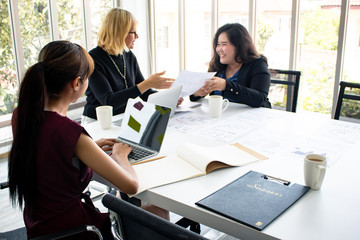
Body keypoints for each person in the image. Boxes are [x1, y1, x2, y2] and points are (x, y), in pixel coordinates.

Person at [8, 40, 139, 239]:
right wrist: (120, 156)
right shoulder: (71, 133)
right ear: (77, 83)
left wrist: (88, 149)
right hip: (77, 232)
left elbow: (47, 155)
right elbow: (131, 186)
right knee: (155, 212)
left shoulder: (22, 116)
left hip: (39, 228)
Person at [82, 8, 175, 124]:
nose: (137, 37)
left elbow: (145, 94)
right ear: (120, 33)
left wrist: (169, 99)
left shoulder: (129, 56)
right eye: (133, 32)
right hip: (98, 123)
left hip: (122, 118)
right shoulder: (93, 59)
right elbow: (108, 101)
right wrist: (147, 83)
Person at [191, 23, 271, 108]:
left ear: (239, 45)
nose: (219, 49)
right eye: (218, 44)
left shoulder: (258, 64)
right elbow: (195, 96)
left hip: (248, 118)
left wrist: (226, 85)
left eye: (224, 44)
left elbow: (259, 98)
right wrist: (197, 93)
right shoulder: (216, 64)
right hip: (221, 117)